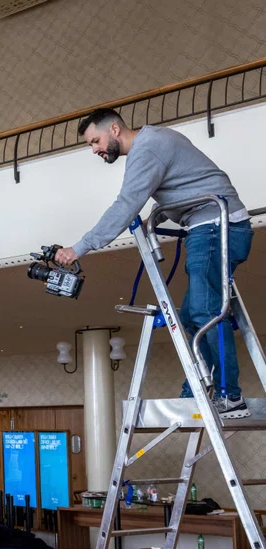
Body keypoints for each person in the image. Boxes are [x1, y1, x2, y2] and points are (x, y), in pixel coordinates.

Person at [55, 108, 253, 418]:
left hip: (215, 225)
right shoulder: (155, 141)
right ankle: (199, 389)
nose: (94, 149)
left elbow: (126, 202)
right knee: (190, 315)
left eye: (95, 141)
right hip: (211, 225)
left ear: (115, 130)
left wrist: (79, 248)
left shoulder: (148, 148)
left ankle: (231, 396)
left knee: (206, 311)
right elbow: (181, 184)